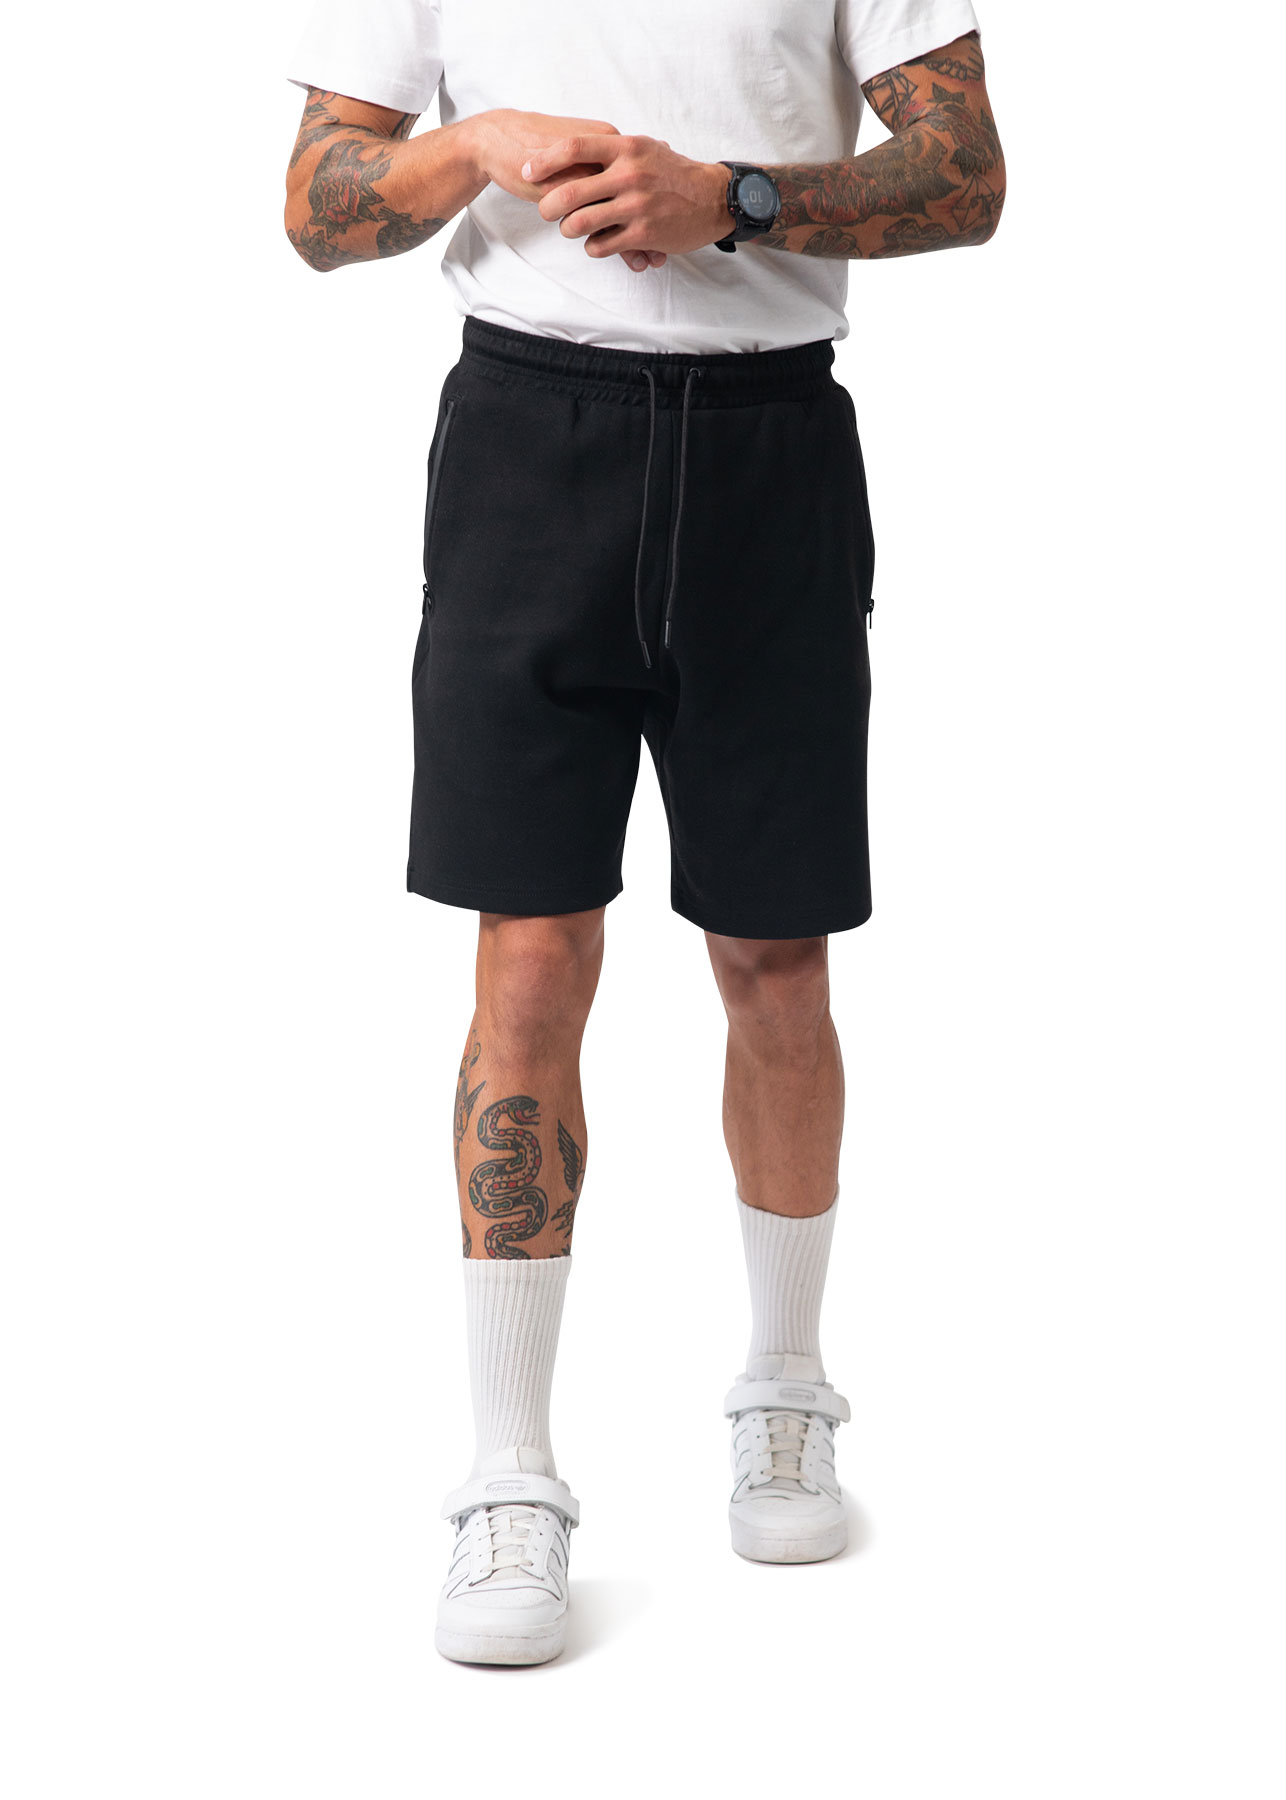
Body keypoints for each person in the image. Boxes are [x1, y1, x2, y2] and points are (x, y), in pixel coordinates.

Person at [283, 0, 1004, 1667]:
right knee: (529, 956)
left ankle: (785, 1391)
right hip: (526, 448)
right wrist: (472, 147)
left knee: (774, 955)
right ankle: (508, 1478)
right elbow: (316, 210)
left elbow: (965, 175)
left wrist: (734, 200)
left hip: (769, 454)